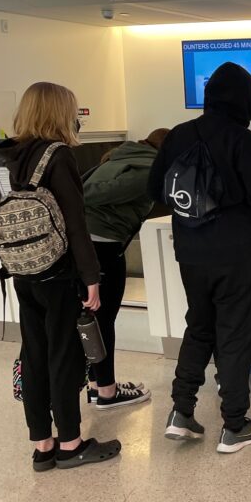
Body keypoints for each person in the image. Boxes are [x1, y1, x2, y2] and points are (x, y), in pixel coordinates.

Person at [149, 62, 251, 454]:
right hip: (236, 252)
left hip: (190, 251)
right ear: (245, 101)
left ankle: (181, 412)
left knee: (199, 327)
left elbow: (156, 188)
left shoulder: (178, 136)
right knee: (235, 333)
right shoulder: (243, 139)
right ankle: (235, 424)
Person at [0, 82, 120, 470]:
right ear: (57, 112)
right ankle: (71, 443)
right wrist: (91, 276)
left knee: (33, 355)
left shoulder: (13, 153)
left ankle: (42, 444)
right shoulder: (58, 155)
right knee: (64, 357)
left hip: (23, 271)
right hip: (58, 271)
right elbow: (74, 222)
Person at [82, 129, 170, 409]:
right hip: (103, 247)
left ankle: (97, 385)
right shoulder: (147, 169)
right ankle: (107, 391)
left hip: (88, 243)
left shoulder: (121, 156)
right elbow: (89, 193)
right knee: (103, 319)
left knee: (92, 319)